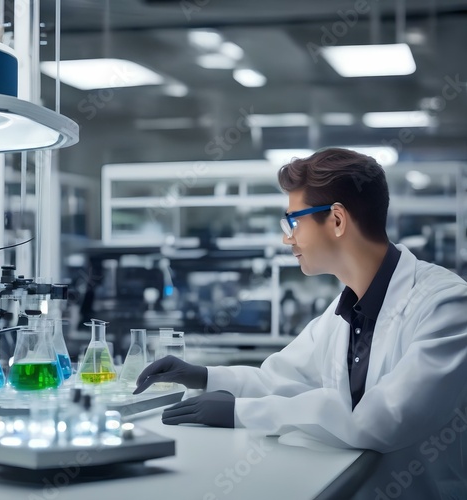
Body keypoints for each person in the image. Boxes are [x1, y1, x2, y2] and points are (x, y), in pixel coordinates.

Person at [134, 148, 467, 498]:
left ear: (337, 220)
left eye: (293, 221)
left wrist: (241, 411)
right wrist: (205, 376)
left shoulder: (445, 304)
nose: (286, 237)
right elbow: (280, 380)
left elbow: (384, 419)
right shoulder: (343, 311)